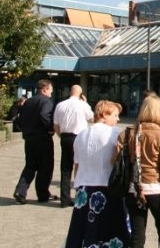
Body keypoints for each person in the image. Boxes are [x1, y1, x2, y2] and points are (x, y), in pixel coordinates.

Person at [64, 100, 129, 247]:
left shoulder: (81, 134)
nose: (118, 119)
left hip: (84, 187)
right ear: (104, 115)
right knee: (111, 230)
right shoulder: (115, 133)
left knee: (84, 229)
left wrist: (77, 185)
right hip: (108, 186)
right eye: (115, 115)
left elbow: (77, 164)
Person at [114, 96, 160, 248]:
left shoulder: (127, 133)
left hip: (133, 188)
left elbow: (114, 161)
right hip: (155, 189)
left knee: (137, 234)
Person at [13, 79, 56, 204]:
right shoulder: (46, 101)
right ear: (45, 89)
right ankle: (43, 194)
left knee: (30, 165)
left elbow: (20, 119)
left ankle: (20, 191)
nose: (51, 93)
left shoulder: (28, 101)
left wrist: (25, 129)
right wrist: (50, 128)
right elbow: (44, 115)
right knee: (45, 166)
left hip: (29, 138)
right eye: (50, 90)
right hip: (42, 137)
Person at [53, 84, 93, 207]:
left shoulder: (60, 105)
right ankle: (79, 196)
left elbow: (55, 125)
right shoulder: (83, 105)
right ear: (81, 94)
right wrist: (85, 102)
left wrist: (61, 136)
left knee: (65, 168)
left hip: (65, 137)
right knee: (79, 166)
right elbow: (92, 119)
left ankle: (64, 199)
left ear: (70, 92)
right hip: (79, 137)